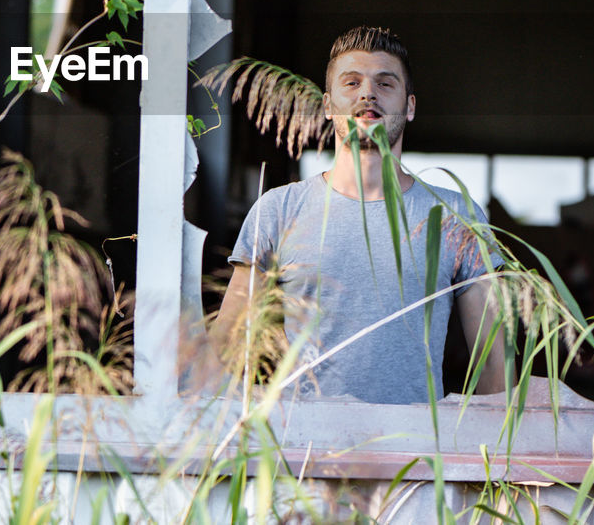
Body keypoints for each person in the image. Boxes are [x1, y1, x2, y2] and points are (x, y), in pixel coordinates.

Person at [212, 26, 507, 404]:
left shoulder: (454, 214)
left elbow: (492, 365)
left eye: (386, 84)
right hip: (303, 451)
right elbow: (226, 349)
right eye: (351, 83)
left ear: (410, 106)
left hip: (415, 450)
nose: (368, 93)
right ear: (328, 105)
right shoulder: (279, 209)